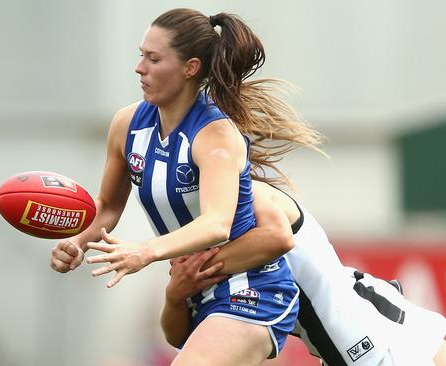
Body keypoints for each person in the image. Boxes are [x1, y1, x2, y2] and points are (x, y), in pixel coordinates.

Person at [49, 8, 324, 366]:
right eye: (140, 55)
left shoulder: (215, 135)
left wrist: (145, 252)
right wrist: (78, 241)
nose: (139, 68)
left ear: (190, 67)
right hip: (194, 291)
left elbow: (216, 223)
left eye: (153, 58)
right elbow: (108, 205)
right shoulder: (126, 124)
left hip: (251, 289)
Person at [145, 180, 446, 366]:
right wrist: (175, 295)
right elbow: (181, 338)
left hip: (364, 341)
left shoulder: (253, 200)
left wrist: (145, 252)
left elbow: (279, 239)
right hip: (362, 322)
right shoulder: (200, 231)